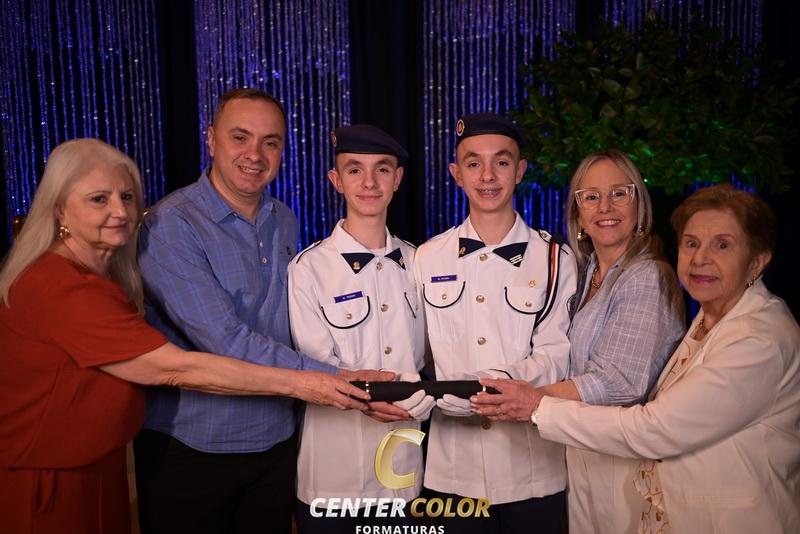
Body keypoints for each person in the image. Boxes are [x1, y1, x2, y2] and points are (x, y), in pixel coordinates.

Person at [0, 138, 381, 534]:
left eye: (126, 196)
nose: (121, 211)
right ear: (59, 208)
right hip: (47, 483)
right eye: (99, 199)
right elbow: (177, 369)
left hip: (99, 470)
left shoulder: (105, 277)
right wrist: (314, 383)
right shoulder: (57, 284)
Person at [474, 184, 800, 533]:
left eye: (722, 245)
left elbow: (655, 429)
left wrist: (537, 406)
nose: (701, 258)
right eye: (691, 243)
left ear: (757, 260)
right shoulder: (711, 317)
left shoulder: (759, 339)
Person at [133, 89, 388, 534]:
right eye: (240, 137)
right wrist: (335, 378)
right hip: (194, 447)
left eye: (270, 142)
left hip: (276, 441)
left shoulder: (283, 218)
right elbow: (224, 340)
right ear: (211, 139)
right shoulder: (171, 224)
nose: (255, 154)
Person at [476, 150, 685, 533]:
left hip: (625, 466)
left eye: (619, 193)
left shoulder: (646, 276)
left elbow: (619, 381)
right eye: (591, 197)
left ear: (639, 204)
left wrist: (529, 398)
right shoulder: (584, 272)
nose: (605, 207)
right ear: (578, 213)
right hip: (580, 457)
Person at [412, 112, 578, 533]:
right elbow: (419, 357)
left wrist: (489, 387)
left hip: (534, 470)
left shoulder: (555, 258)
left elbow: (556, 355)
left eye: (501, 162)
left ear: (520, 171)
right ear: (456, 173)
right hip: (453, 473)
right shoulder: (426, 258)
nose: (487, 176)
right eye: (473, 163)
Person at [288, 124, 434, 533]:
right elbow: (316, 364)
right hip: (334, 475)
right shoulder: (309, 269)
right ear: (336, 180)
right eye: (355, 170)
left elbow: (433, 358)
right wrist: (370, 399)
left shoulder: (421, 263)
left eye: (382, 169)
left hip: (402, 469)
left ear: (397, 179)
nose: (369, 182)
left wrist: (425, 398)